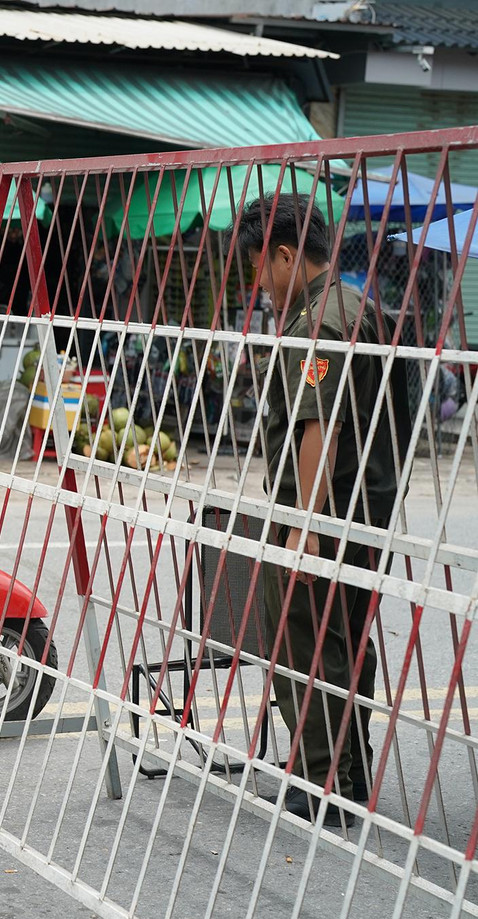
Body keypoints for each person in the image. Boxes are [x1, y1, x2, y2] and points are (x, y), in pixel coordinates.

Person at [238, 194, 404, 826]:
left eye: (259, 267)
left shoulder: (319, 325)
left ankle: (322, 782)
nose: (259, 284)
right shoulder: (357, 305)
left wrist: (304, 526)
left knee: (306, 640)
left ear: (286, 256)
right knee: (347, 640)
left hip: (325, 507)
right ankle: (346, 775)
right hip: (366, 503)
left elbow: (319, 429)